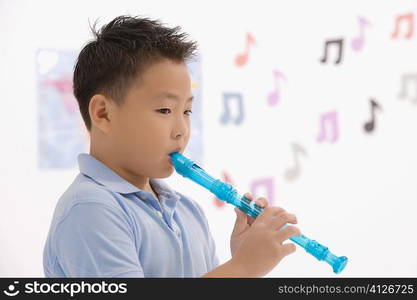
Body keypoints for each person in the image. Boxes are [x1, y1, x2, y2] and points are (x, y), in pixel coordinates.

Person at [43, 15, 300, 277]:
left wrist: (242, 260)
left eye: (187, 111)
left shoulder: (188, 211)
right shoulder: (90, 208)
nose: (181, 130)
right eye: (165, 109)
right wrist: (243, 268)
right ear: (103, 114)